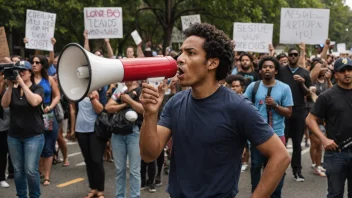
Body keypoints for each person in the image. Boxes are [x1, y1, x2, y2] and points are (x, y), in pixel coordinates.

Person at [139, 23, 290, 198]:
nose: (179, 58)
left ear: (212, 63)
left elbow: (280, 156)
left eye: (191, 53)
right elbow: (149, 155)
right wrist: (149, 114)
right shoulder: (175, 103)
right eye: (181, 52)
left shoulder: (238, 107)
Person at [244, 56, 293, 198]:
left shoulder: (284, 88)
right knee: (255, 167)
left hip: (277, 135)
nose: (267, 69)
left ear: (276, 71)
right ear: (260, 70)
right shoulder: (253, 87)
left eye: (271, 67)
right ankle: (257, 193)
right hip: (257, 136)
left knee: (276, 168)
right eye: (265, 67)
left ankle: (275, 194)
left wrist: (275, 106)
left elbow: (289, 112)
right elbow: (244, 106)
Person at [306, 57, 352, 198]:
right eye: (342, 71)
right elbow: (310, 119)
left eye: (350, 70)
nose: (347, 73)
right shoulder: (327, 96)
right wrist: (324, 139)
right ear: (335, 74)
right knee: (335, 193)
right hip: (336, 153)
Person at [1, 61, 45, 198]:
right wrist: (9, 86)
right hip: (14, 136)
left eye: (23, 70)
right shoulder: (12, 90)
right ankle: (21, 196)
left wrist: (22, 83)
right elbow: (4, 104)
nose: (20, 73)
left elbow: (34, 102)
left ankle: (34, 196)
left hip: (33, 136)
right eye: (17, 71)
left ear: (30, 73)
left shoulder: (38, 88)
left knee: (31, 170)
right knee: (18, 171)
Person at [277, 48, 311, 182]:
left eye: (295, 55)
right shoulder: (281, 71)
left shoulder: (304, 73)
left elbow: (308, 93)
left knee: (297, 143)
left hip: (299, 110)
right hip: (283, 111)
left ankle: (297, 171)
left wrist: (302, 83)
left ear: (299, 57)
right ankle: (280, 170)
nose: (292, 57)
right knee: (281, 143)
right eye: (290, 55)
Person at [105, 81, 144, 198]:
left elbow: (143, 110)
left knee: (134, 170)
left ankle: (135, 196)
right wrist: (124, 105)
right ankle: (120, 196)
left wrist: (129, 100)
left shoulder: (141, 90)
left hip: (133, 132)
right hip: (117, 133)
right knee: (119, 170)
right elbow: (108, 107)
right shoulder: (120, 90)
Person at [31, 55, 60, 186]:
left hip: (47, 115)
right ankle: (37, 171)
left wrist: (51, 106)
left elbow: (57, 95)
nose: (34, 64)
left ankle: (47, 176)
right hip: (31, 117)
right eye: (32, 62)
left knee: (48, 145)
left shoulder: (49, 79)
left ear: (42, 65)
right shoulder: (28, 80)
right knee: (34, 145)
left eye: (37, 62)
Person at [71, 90, 105, 198]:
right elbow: (73, 110)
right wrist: (72, 129)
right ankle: (93, 188)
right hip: (81, 129)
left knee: (97, 160)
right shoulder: (79, 91)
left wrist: (91, 97)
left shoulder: (100, 90)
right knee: (88, 160)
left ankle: (100, 189)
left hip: (95, 130)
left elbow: (100, 110)